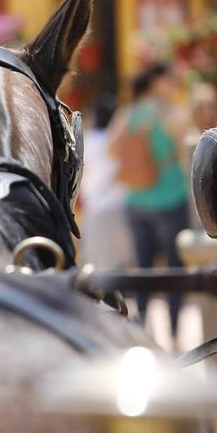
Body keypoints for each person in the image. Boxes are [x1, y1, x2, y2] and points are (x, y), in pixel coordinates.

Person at [109, 62, 191, 348]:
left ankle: (143, 329)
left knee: (143, 267)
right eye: (170, 80)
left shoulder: (129, 113)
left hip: (136, 199)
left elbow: (111, 148)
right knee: (174, 268)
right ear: (157, 82)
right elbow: (185, 152)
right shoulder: (171, 114)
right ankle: (175, 333)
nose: (174, 86)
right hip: (170, 198)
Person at [78, 92, 133, 269]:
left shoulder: (89, 139)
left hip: (94, 204)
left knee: (97, 263)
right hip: (119, 201)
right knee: (122, 259)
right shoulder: (117, 140)